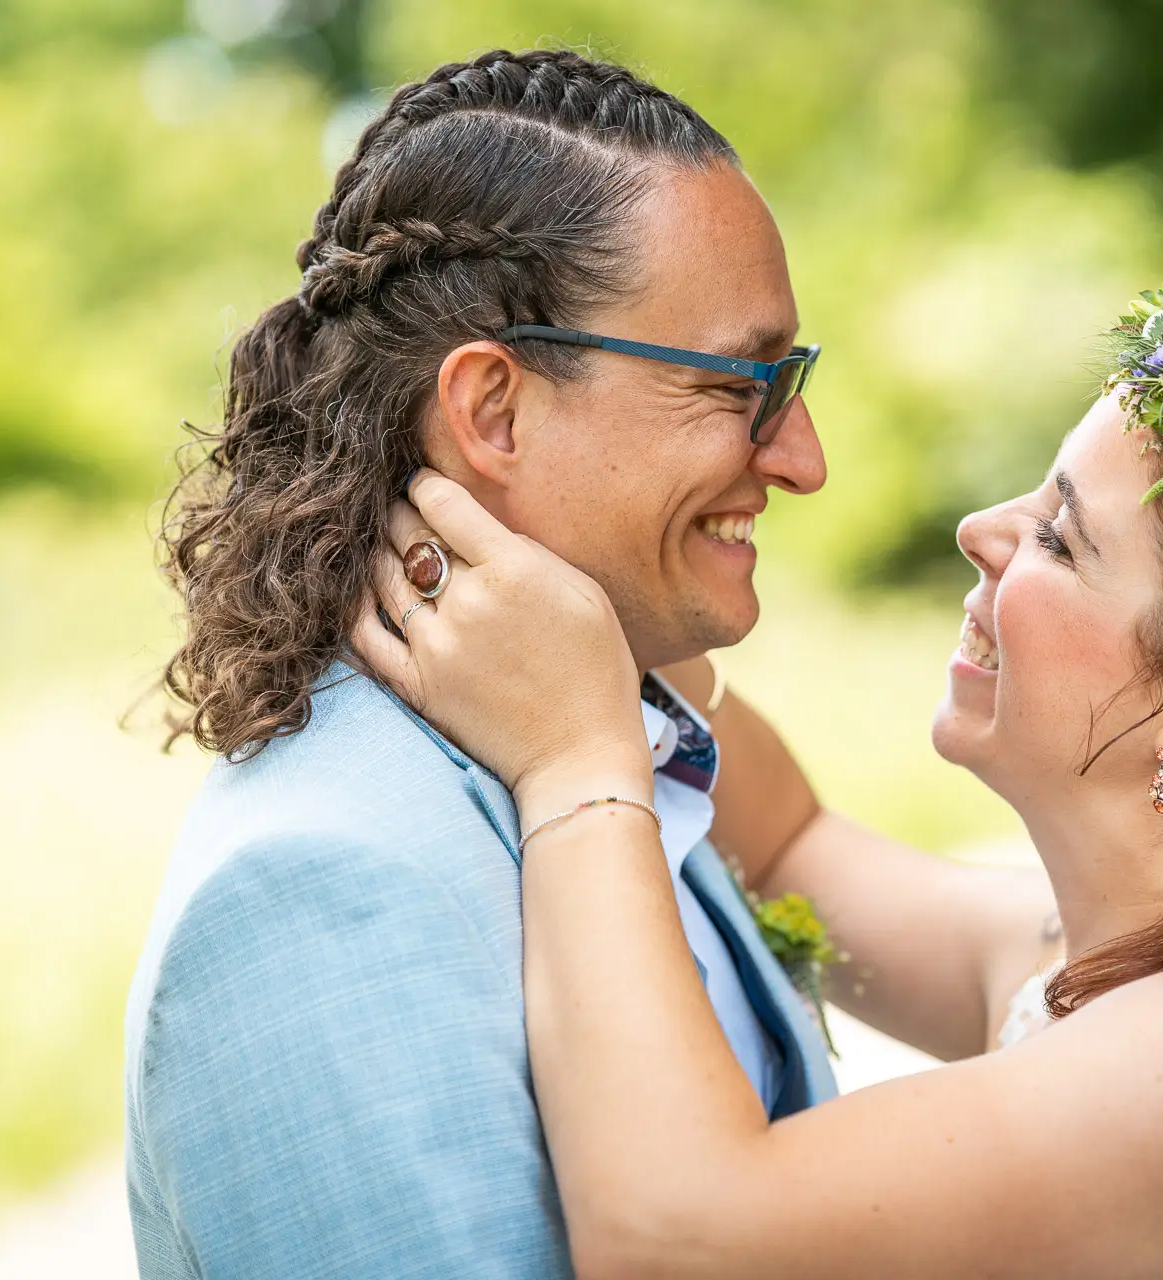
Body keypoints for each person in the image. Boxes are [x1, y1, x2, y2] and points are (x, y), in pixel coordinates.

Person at [361, 295, 1163, 1278]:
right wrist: (594, 540)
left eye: (1062, 536)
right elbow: (789, 845)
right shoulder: (1136, 966)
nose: (980, 528)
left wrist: (579, 760)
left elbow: (681, 1234)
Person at [125, 49, 834, 1278]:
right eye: (748, 384)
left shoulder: (615, 734)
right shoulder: (319, 890)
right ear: (494, 410)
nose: (804, 458)